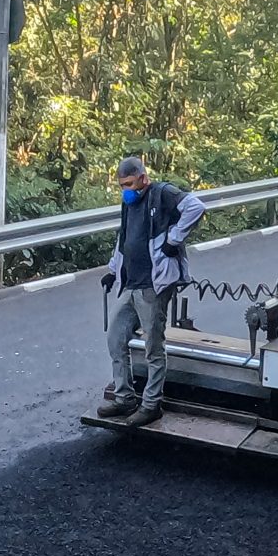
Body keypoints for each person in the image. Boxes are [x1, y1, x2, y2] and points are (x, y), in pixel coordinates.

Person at [98, 155, 206, 428]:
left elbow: (196, 207)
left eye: (130, 184)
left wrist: (174, 239)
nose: (126, 190)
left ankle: (151, 405)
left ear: (143, 178)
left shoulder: (162, 194)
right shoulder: (128, 203)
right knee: (116, 339)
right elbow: (124, 238)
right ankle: (124, 398)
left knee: (153, 347)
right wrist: (113, 270)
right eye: (122, 185)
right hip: (130, 283)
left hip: (153, 285)